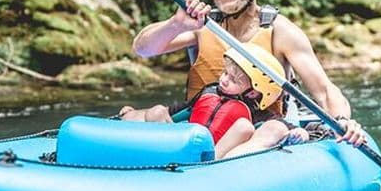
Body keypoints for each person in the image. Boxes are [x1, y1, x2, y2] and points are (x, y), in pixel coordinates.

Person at [131, 0, 366, 154]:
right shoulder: (203, 25)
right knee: (152, 114)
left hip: (257, 131)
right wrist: (175, 24)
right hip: (201, 122)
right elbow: (143, 49)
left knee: (270, 130)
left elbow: (324, 90)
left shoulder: (280, 31)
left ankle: (212, 164)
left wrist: (342, 120)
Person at [120, 44, 309, 159]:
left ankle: (211, 164)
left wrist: (299, 132)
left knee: (245, 126)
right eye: (225, 73)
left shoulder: (254, 113)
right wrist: (132, 114)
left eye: (234, 80)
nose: (224, 80)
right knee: (156, 111)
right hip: (185, 147)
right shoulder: (208, 93)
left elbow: (280, 124)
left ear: (253, 93)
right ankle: (156, 157)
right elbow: (175, 112)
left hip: (218, 157)